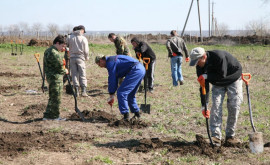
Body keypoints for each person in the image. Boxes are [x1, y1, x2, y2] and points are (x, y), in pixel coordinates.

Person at [189, 47, 243, 146]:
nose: (197, 64)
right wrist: (204, 105)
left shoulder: (218, 57)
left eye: (197, 62)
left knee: (234, 106)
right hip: (217, 81)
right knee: (216, 105)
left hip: (233, 78)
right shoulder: (199, 66)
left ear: (204, 57)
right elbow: (203, 86)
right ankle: (216, 137)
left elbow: (222, 75)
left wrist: (207, 76)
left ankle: (230, 136)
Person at [95, 55, 145, 121]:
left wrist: (111, 93)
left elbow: (112, 78)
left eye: (98, 64)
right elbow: (116, 77)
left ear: (101, 60)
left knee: (121, 92)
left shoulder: (110, 62)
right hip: (141, 69)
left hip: (135, 70)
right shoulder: (113, 59)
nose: (100, 66)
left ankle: (126, 116)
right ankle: (137, 114)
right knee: (130, 94)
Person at [43, 35, 68, 121]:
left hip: (50, 77)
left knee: (52, 97)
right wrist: (66, 71)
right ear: (57, 43)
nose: (63, 48)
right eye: (62, 46)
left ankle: (48, 115)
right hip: (55, 78)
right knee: (56, 98)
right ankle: (54, 117)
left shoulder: (48, 50)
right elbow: (60, 67)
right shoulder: (54, 53)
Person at [67, 25, 89, 97]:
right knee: (82, 74)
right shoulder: (83, 38)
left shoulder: (69, 37)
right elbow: (86, 50)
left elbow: (66, 46)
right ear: (82, 30)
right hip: (80, 58)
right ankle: (83, 91)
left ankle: (76, 91)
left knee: (74, 74)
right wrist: (87, 57)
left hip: (72, 58)